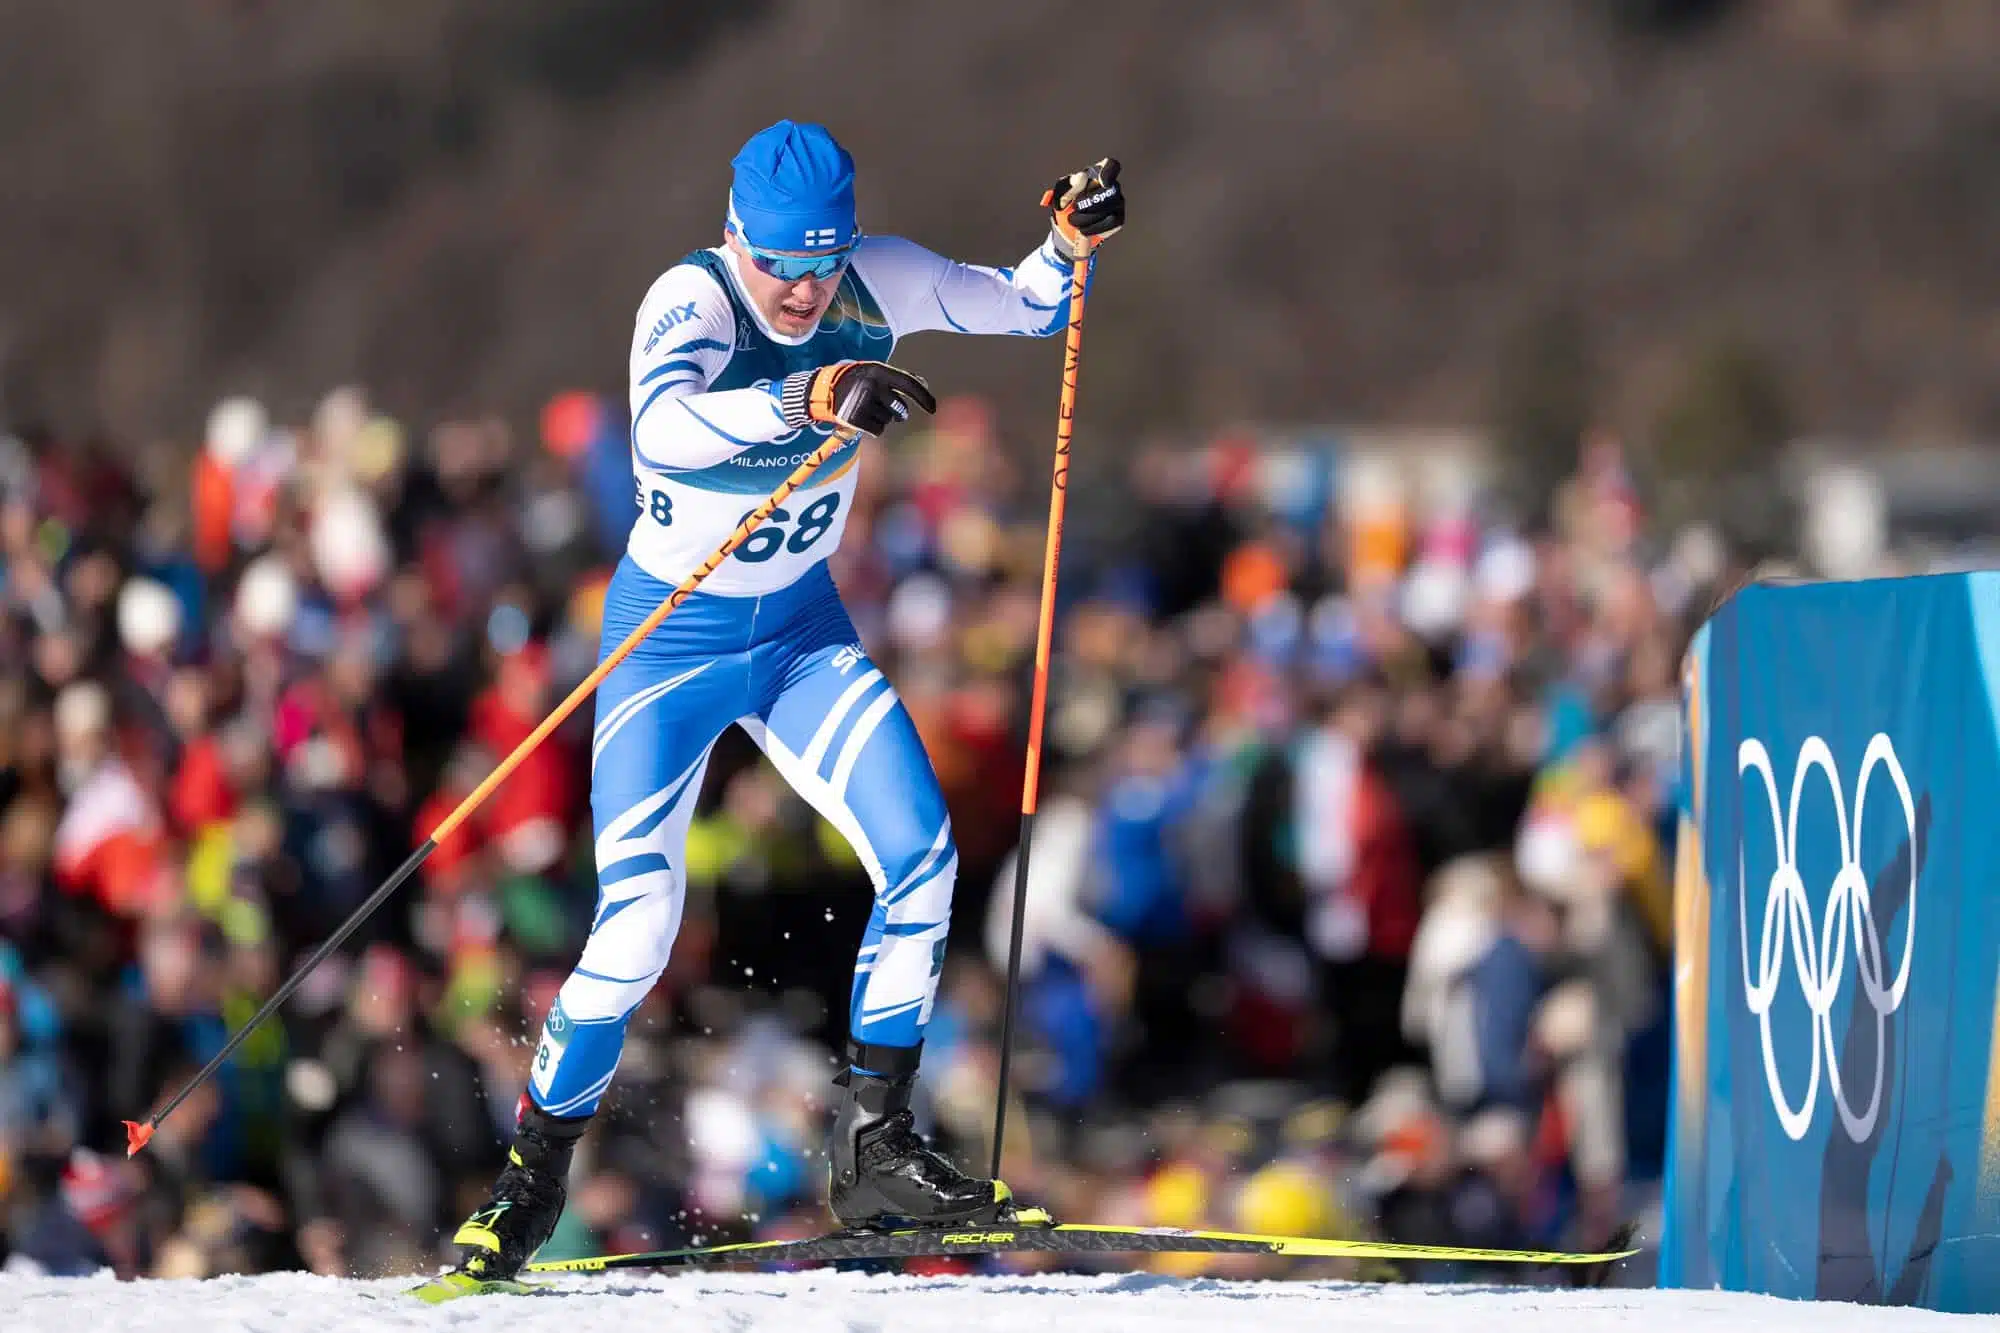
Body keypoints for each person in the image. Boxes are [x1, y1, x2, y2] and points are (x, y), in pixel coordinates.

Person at [448, 119, 1125, 1283]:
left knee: (922, 855)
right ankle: (526, 1183)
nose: (806, 289)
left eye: (823, 265)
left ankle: (875, 1148)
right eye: (781, 267)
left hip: (801, 634)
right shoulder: (692, 299)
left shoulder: (875, 280)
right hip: (671, 643)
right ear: (733, 239)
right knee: (638, 924)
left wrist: (1064, 247)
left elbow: (1027, 308)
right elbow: (662, 425)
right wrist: (807, 395)